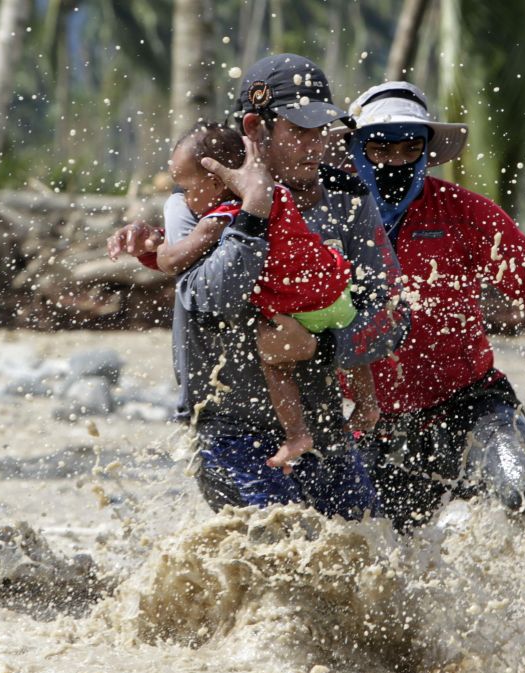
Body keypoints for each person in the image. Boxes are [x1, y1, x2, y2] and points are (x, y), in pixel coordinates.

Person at [309, 81, 525, 612]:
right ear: (354, 149)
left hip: (470, 405)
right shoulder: (324, 219)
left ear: (425, 150)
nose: (395, 160)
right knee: (363, 560)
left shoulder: (465, 214)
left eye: (408, 148)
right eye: (380, 147)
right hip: (372, 420)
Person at [107, 54, 407, 520]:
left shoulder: (348, 201)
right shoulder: (196, 202)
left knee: (365, 555)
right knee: (277, 545)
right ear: (256, 128)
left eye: (321, 130)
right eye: (298, 131)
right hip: (231, 430)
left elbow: (390, 312)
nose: (315, 145)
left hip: (322, 424)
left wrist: (320, 347)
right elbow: (206, 297)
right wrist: (253, 213)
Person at [157, 122, 380, 473]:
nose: (182, 198)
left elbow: (175, 262)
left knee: (276, 361)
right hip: (333, 288)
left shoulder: (227, 215)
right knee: (348, 328)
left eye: (186, 188)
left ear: (216, 182)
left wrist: (155, 253)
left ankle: (296, 435)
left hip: (294, 307)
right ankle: (368, 405)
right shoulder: (284, 193)